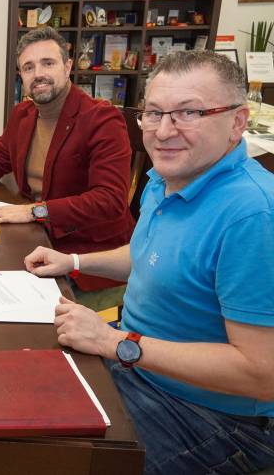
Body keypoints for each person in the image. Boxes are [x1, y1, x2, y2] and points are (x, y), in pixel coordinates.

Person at [25, 50, 274, 474]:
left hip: (218, 419)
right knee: (15, 410)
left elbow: (260, 374)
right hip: (136, 364)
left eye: (189, 112)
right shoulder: (167, 176)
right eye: (154, 113)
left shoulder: (253, 216)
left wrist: (115, 342)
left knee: (50, 458)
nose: (164, 131)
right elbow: (151, 256)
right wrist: (73, 260)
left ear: (237, 122)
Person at [0, 27, 134, 292]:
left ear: (67, 67)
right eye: (28, 67)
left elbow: (109, 200)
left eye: (48, 63)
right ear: (21, 76)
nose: (38, 74)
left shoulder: (102, 119)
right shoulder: (23, 114)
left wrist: (33, 211)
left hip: (87, 252)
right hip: (36, 236)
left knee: (1, 291)